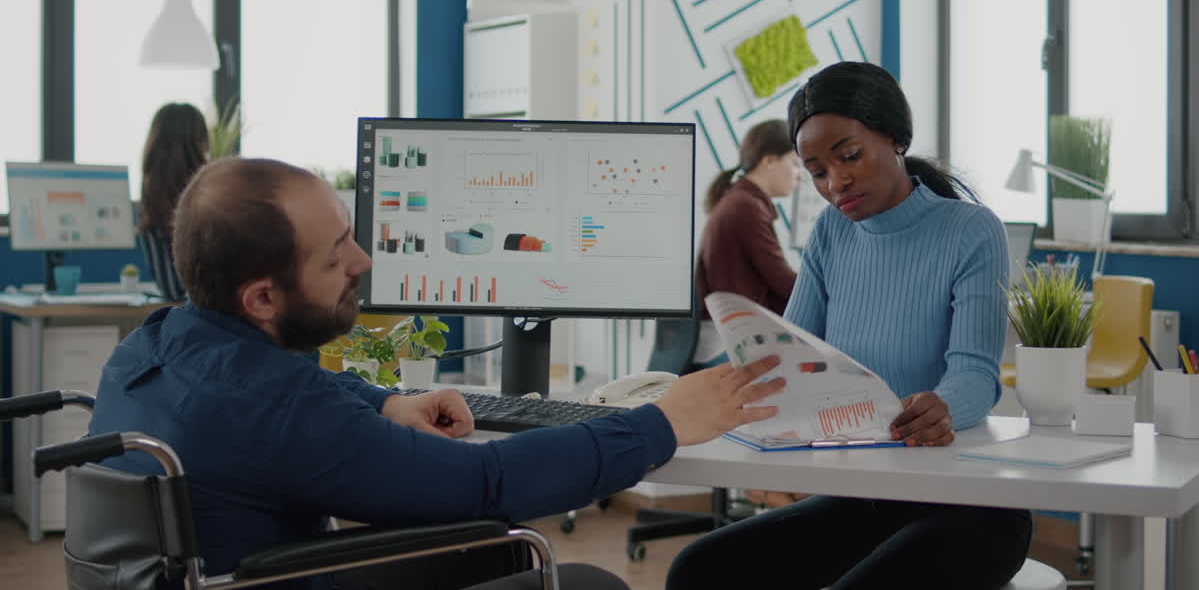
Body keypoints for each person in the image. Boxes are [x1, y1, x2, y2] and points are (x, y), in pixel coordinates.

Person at [88, 157, 786, 590]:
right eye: (337, 254)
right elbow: (489, 485)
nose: (362, 262)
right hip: (284, 579)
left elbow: (291, 393)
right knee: (581, 582)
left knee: (500, 560)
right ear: (262, 298)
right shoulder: (281, 412)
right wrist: (659, 425)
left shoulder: (153, 344)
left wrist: (384, 402)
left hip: (237, 575)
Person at [666, 62, 1031, 590]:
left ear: (896, 137)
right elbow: (784, 359)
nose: (835, 182)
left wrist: (943, 406)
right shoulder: (833, 234)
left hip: (970, 507)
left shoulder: (972, 231)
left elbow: (976, 373)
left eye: (849, 155)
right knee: (699, 570)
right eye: (815, 171)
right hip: (865, 496)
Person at [692, 118, 801, 369]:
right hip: (727, 345)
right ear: (769, 161)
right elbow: (784, 283)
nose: (799, 177)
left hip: (725, 337)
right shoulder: (746, 207)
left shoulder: (740, 201)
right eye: (795, 164)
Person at [138, 102, 208, 301]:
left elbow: (172, 291)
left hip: (191, 316)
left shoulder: (151, 203)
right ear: (200, 143)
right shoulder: (214, 195)